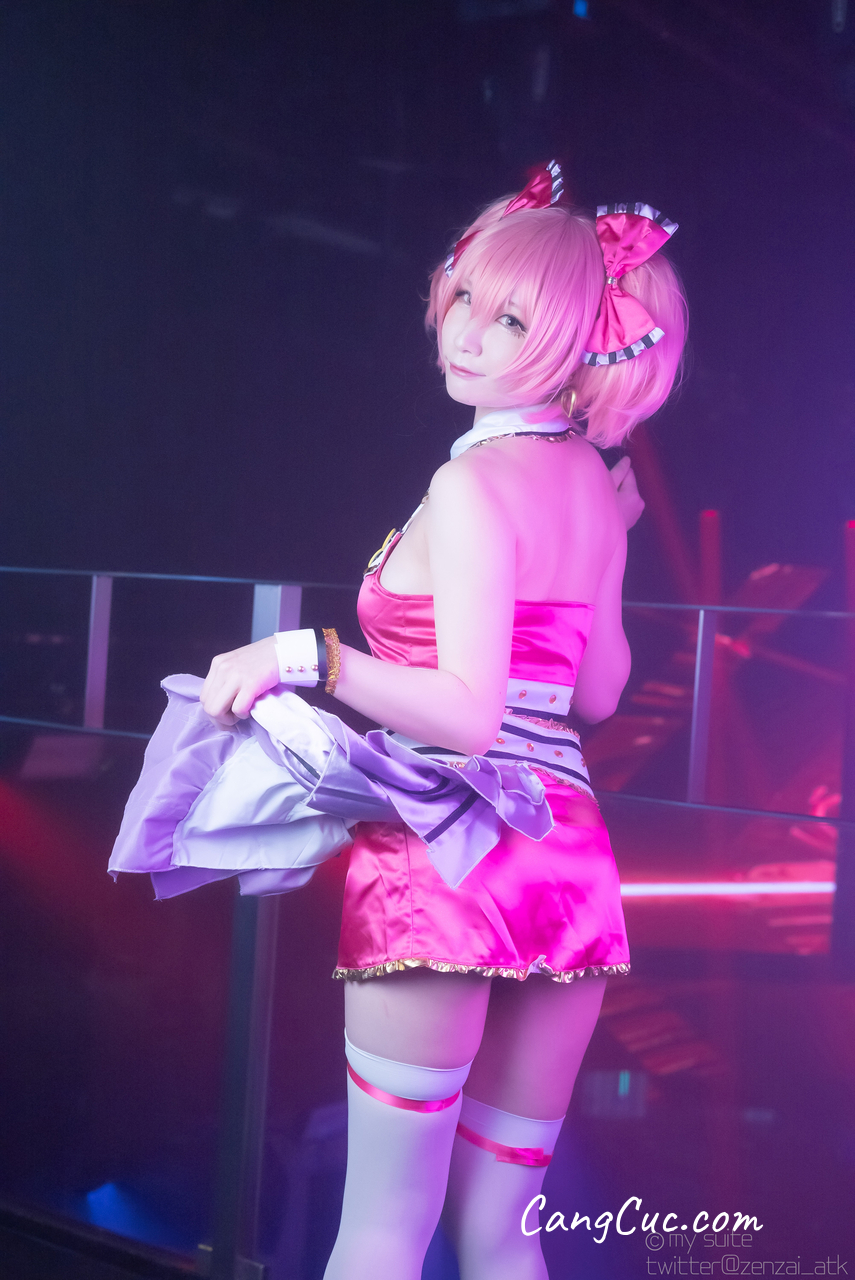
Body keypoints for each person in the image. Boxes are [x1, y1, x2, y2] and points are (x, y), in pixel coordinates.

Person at [198, 169, 687, 1279]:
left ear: (580, 338)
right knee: (504, 1235)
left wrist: (305, 656)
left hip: (447, 848)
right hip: (565, 856)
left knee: (383, 1228)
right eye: (465, 296)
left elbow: (468, 716)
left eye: (510, 318)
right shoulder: (589, 485)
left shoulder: (471, 486)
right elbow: (597, 692)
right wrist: (608, 542)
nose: (465, 331)